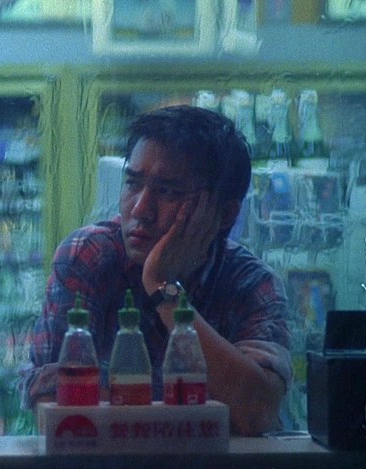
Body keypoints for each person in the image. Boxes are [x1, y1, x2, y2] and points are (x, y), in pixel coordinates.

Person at [20, 105, 292, 436]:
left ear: (225, 214)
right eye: (133, 184)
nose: (140, 209)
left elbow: (256, 412)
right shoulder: (90, 256)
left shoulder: (251, 282)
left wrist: (163, 288)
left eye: (168, 192)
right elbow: (54, 406)